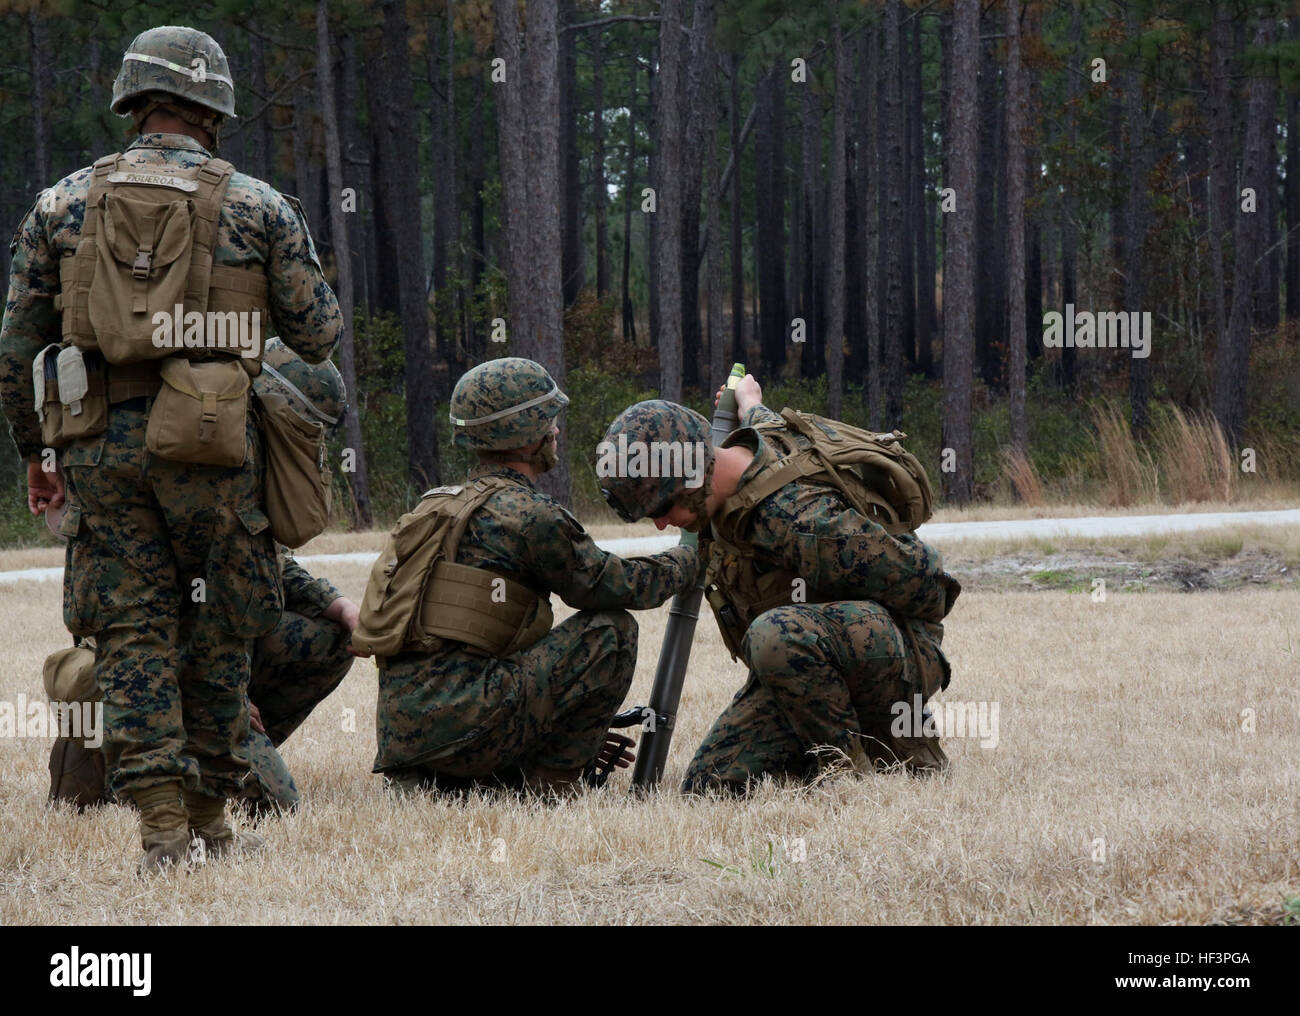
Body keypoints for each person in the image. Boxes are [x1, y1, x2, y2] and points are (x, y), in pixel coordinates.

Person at [0, 26, 341, 871]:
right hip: (213, 446)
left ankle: (161, 830)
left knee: (131, 637)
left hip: (96, 448)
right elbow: (320, 333)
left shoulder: (61, 203)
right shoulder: (259, 205)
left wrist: (34, 453)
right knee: (224, 628)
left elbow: (17, 346)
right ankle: (211, 822)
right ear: (215, 108)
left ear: (133, 100)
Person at [598, 376, 961, 793]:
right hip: (811, 659)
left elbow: (930, 584)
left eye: (663, 507)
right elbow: (765, 421)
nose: (662, 523)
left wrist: (844, 637)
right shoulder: (744, 452)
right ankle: (814, 742)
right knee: (709, 787)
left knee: (775, 635)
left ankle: (852, 772)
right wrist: (749, 402)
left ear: (697, 474)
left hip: (894, 652)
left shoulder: (799, 521)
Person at [357, 357, 702, 796]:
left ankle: (457, 780)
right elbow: (613, 585)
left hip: (405, 740)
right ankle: (547, 790)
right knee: (611, 633)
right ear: (522, 437)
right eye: (548, 420)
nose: (555, 430)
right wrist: (688, 562)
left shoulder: (435, 505)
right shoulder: (529, 515)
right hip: (469, 728)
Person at [47, 548, 359, 816]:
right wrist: (217, 690)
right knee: (269, 802)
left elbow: (267, 563)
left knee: (332, 637)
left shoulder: (239, 487)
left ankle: (223, 746)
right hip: (141, 667)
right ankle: (115, 758)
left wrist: (340, 605)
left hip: (213, 662)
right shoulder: (166, 497)